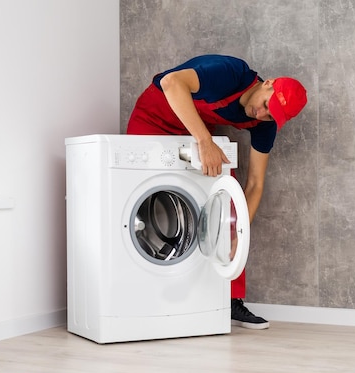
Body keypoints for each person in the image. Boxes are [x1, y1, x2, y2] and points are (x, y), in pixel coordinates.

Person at [127, 54, 307, 330]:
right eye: (266, 106)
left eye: (272, 116)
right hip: (153, 119)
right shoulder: (230, 73)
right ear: (267, 84)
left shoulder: (264, 125)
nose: (262, 115)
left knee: (228, 198)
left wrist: (238, 233)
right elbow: (171, 82)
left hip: (192, 132)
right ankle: (139, 293)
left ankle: (229, 298)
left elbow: (255, 184)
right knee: (136, 201)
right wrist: (205, 141)